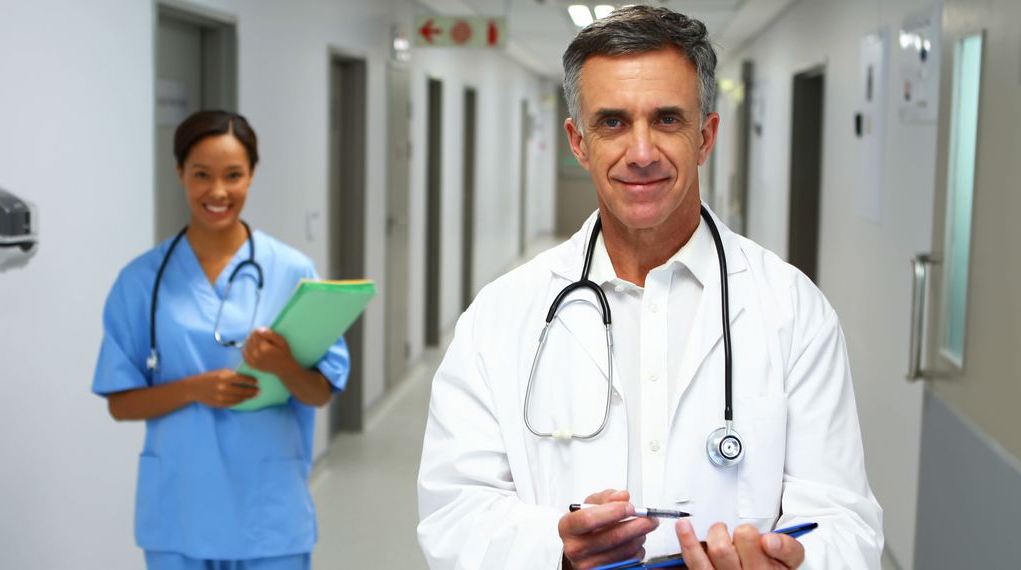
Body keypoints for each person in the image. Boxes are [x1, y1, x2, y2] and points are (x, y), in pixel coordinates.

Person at [417, 6, 883, 569]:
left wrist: (794, 562)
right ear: (579, 141)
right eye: (612, 122)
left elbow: (846, 524)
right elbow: (452, 514)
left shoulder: (793, 311)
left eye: (667, 119)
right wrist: (555, 551)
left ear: (706, 135)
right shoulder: (500, 317)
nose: (641, 153)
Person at [92, 110, 348, 570]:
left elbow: (320, 393)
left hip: (268, 514)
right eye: (201, 175)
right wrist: (194, 389)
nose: (217, 192)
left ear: (252, 174)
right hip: (179, 513)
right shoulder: (141, 281)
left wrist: (286, 367)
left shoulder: (293, 272)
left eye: (233, 175)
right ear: (180, 174)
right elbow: (120, 403)